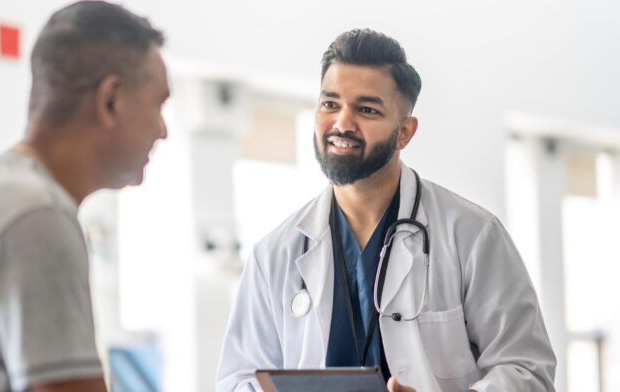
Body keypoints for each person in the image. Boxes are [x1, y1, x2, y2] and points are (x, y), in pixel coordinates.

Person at [217, 29, 555, 392]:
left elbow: (527, 370)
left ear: (404, 133)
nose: (342, 124)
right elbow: (238, 379)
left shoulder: (472, 234)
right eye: (330, 104)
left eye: (366, 109)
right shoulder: (275, 253)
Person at [0, 2, 169, 391]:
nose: (163, 130)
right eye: (158, 104)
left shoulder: (6, 197)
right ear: (110, 100)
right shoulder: (36, 217)